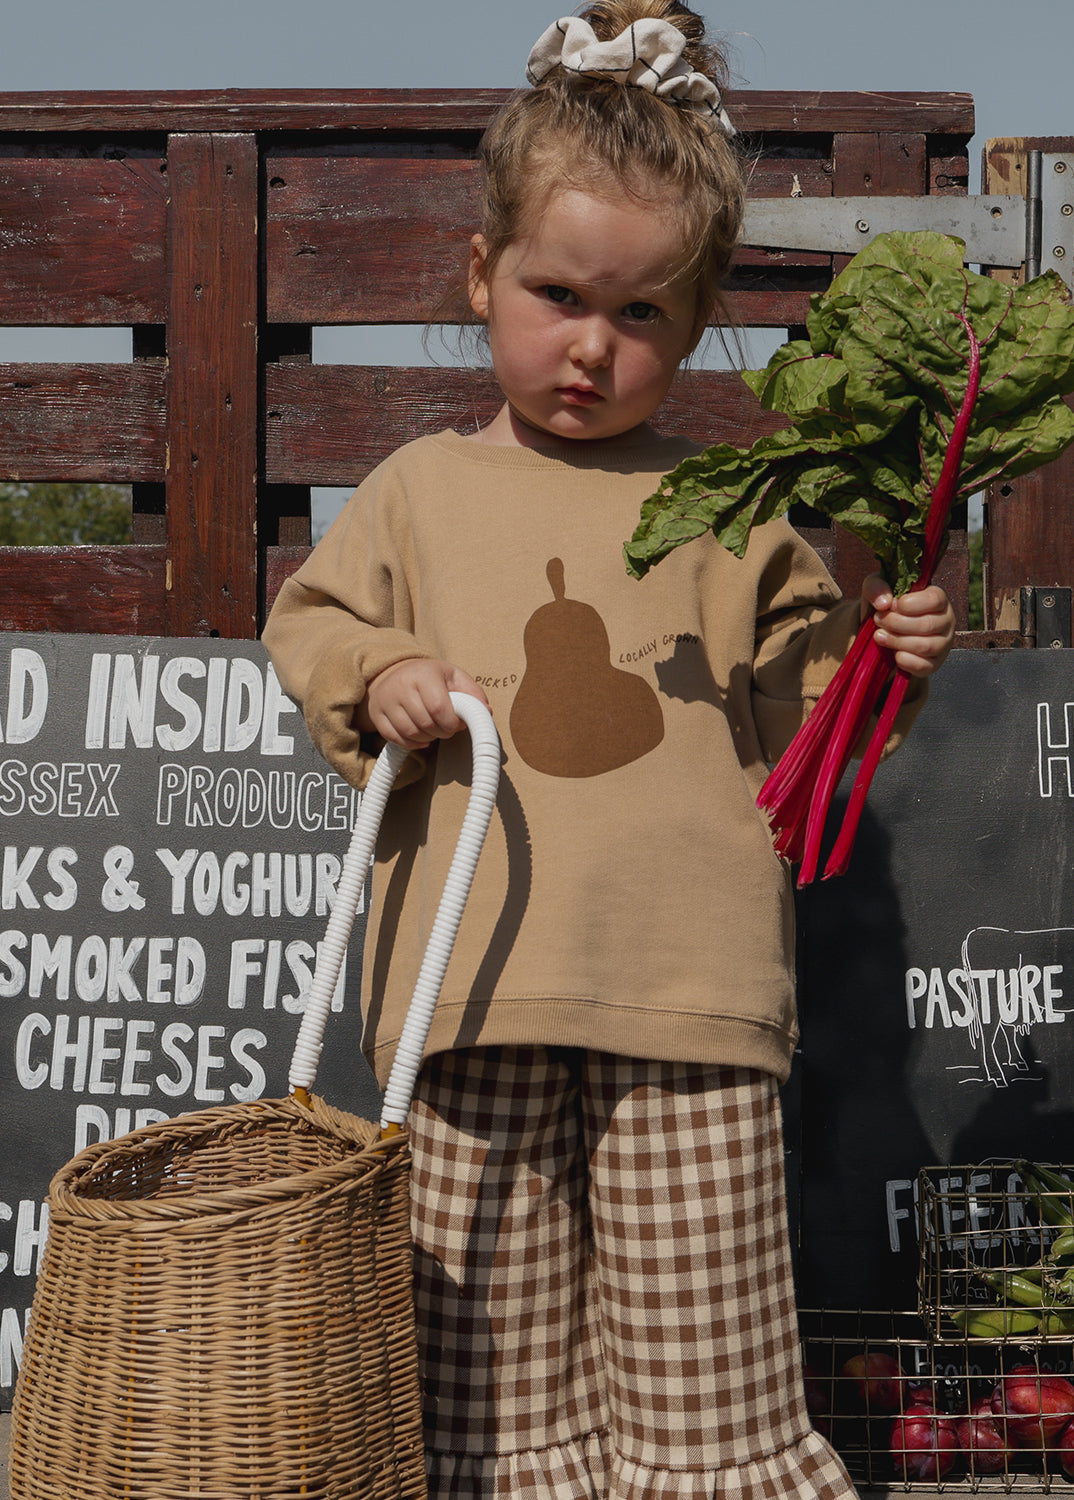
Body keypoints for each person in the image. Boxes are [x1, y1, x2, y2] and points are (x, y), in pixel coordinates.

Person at [263, 4, 956, 1498]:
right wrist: (377, 669)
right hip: (468, 1000)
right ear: (482, 276)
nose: (590, 346)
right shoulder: (419, 490)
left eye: (641, 314)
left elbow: (810, 744)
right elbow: (307, 626)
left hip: (691, 1002)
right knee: (486, 1398)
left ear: (697, 318)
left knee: (706, 1391)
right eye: (557, 292)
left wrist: (881, 668)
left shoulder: (737, 507)